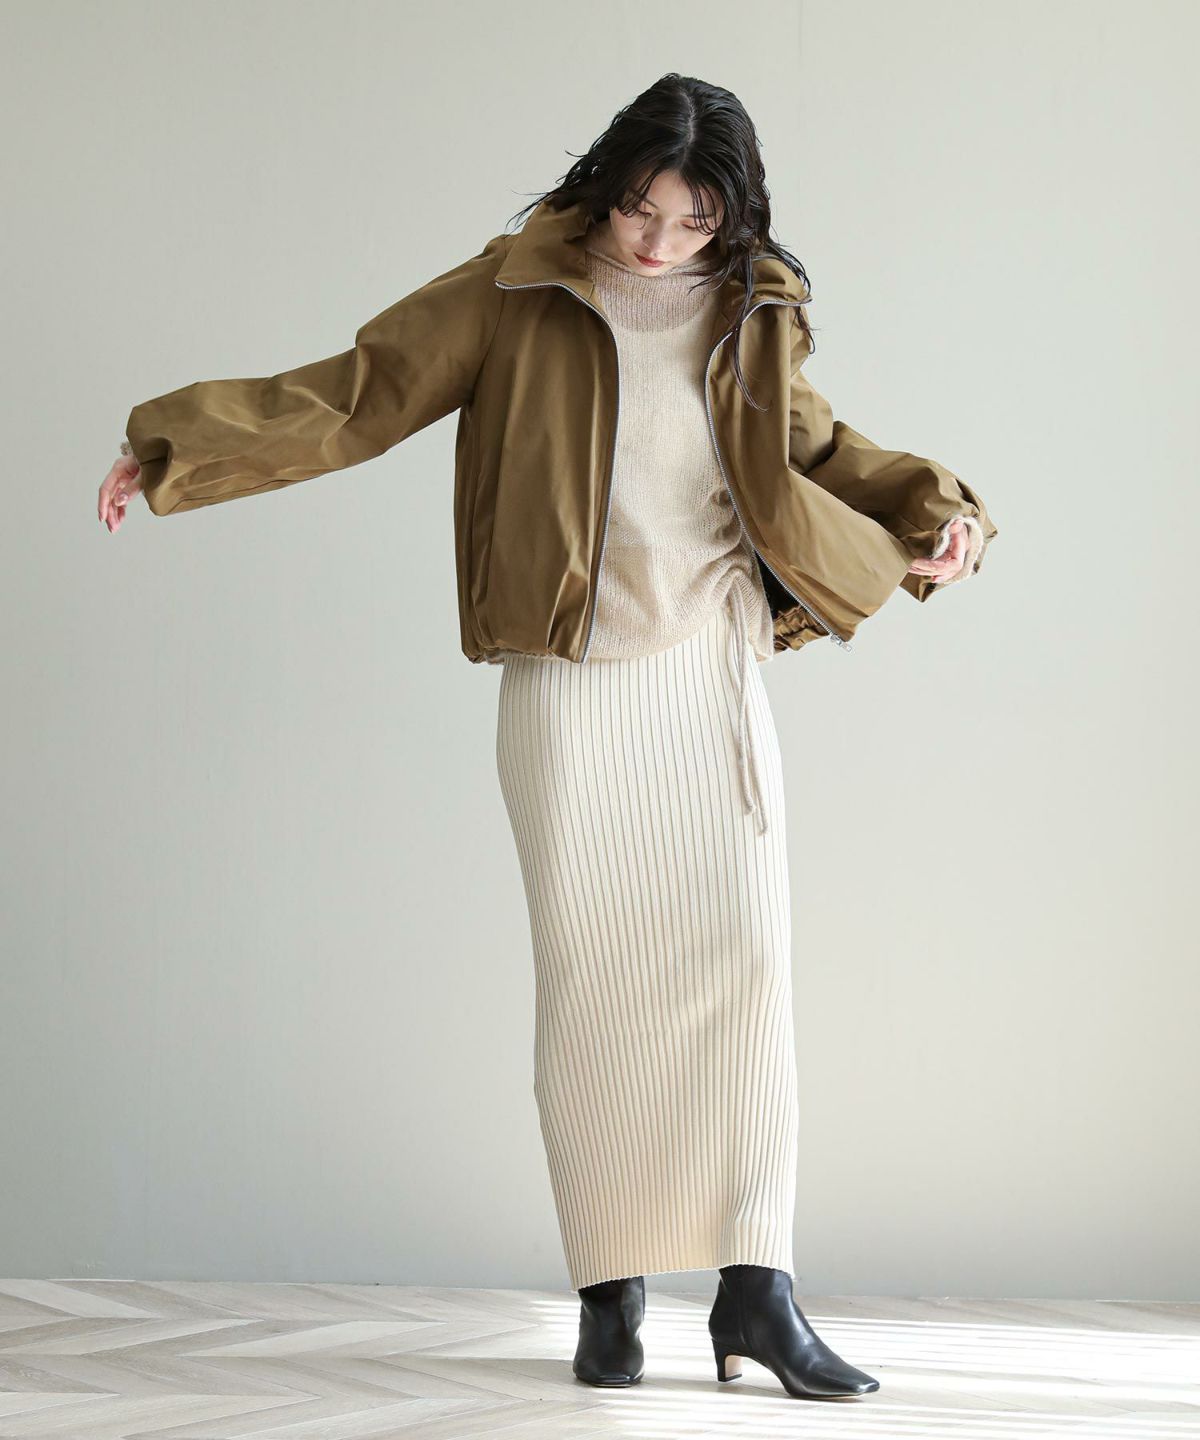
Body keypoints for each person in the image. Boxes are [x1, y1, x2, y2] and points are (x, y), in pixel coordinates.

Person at [97, 72, 996, 1403]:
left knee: (745, 974)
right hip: (571, 680)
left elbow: (813, 448)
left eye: (693, 222)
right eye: (641, 211)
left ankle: (758, 1289)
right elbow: (357, 393)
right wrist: (175, 447)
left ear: (731, 216)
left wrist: (936, 511)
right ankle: (609, 1290)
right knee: (594, 985)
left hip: (708, 666)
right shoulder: (512, 288)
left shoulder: (752, 308)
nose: (660, 244)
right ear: (606, 184)